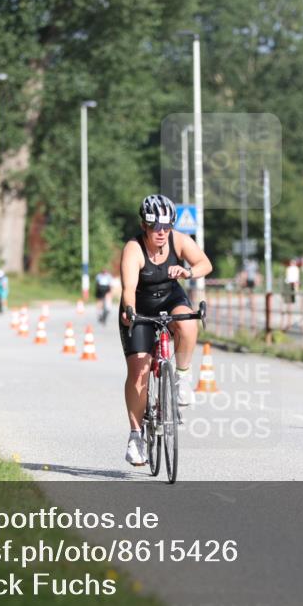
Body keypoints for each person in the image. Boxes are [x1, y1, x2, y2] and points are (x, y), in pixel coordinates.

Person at [119, 194, 212, 466]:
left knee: (187, 321)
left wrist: (188, 273)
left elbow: (205, 263)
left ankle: (182, 376)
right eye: (155, 227)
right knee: (139, 370)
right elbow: (127, 290)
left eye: (166, 227)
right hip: (140, 305)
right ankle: (136, 436)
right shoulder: (133, 249)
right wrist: (130, 312)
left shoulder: (179, 240)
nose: (161, 233)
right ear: (144, 226)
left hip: (171, 298)